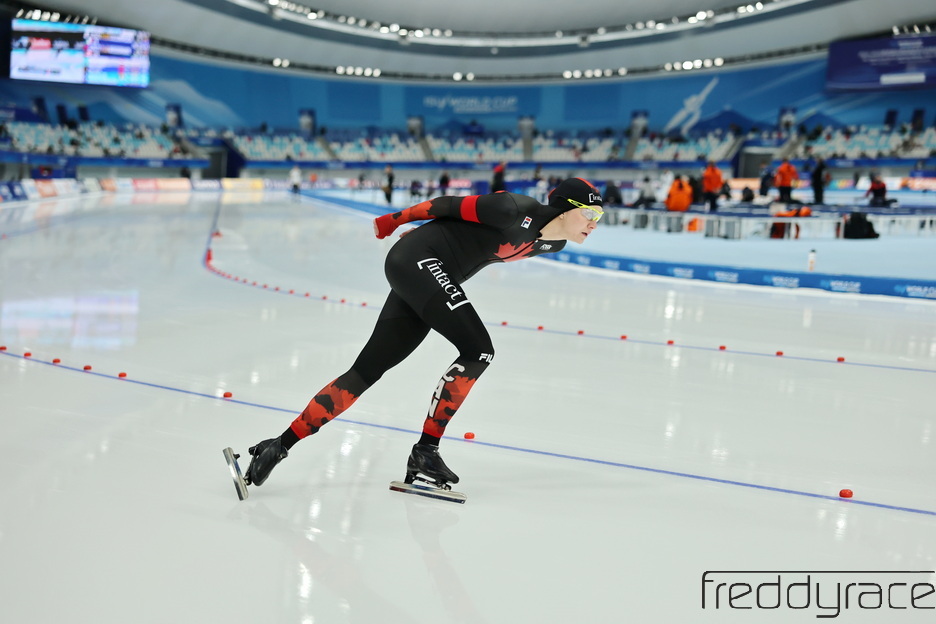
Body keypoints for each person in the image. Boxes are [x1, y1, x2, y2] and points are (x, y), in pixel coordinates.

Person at [241, 178, 606, 492]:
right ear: (564, 208)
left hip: (429, 273)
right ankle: (426, 451)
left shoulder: (553, 244)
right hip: (416, 260)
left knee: (367, 370)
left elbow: (470, 242)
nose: (594, 223)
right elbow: (445, 205)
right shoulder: (512, 208)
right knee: (479, 350)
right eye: (590, 213)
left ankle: (278, 445)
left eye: (599, 217)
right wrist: (393, 221)